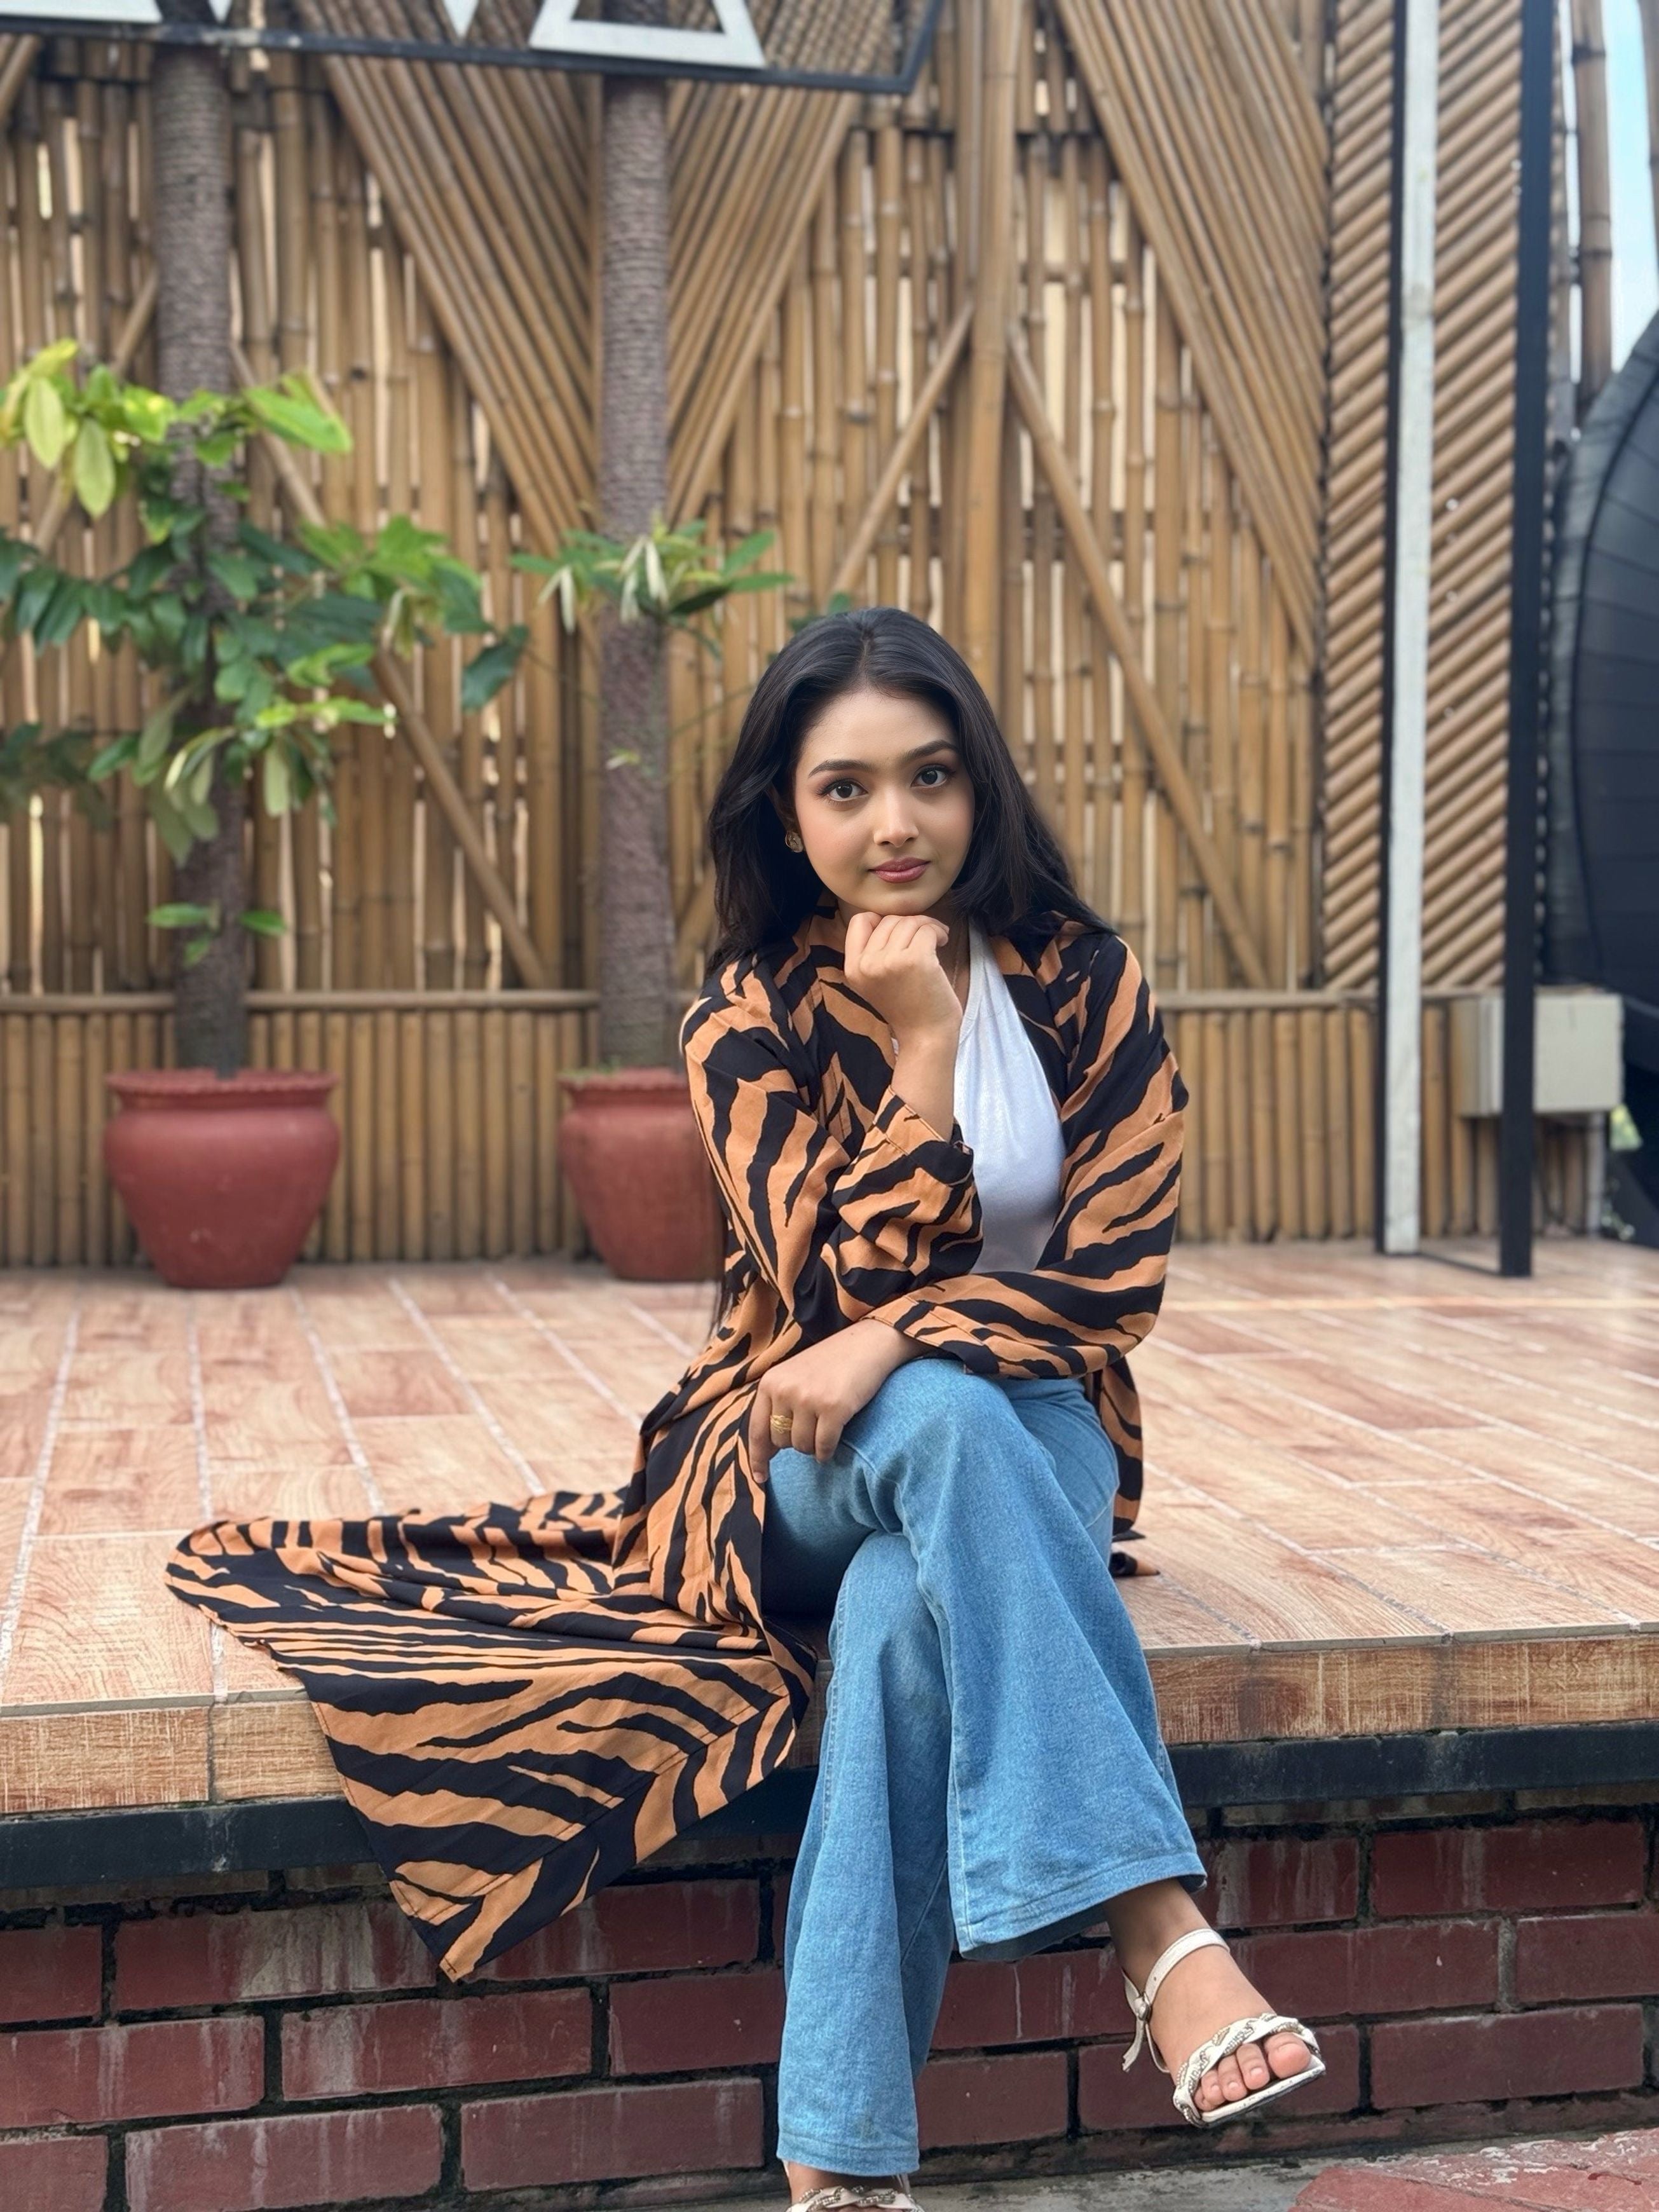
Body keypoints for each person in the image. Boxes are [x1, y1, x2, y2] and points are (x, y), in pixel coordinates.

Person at [686, 606, 1323, 2205]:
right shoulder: (745, 1017)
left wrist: (898, 1335)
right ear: (788, 812)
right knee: (944, 1431)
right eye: (846, 790)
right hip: (790, 1459)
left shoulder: (1084, 986)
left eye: (931, 778)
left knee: (909, 1622)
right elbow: (811, 1308)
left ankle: (836, 2162)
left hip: (1020, 1438)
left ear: (983, 787)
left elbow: (1117, 1282)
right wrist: (915, 1056)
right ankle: (1158, 1929)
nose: (894, 824)